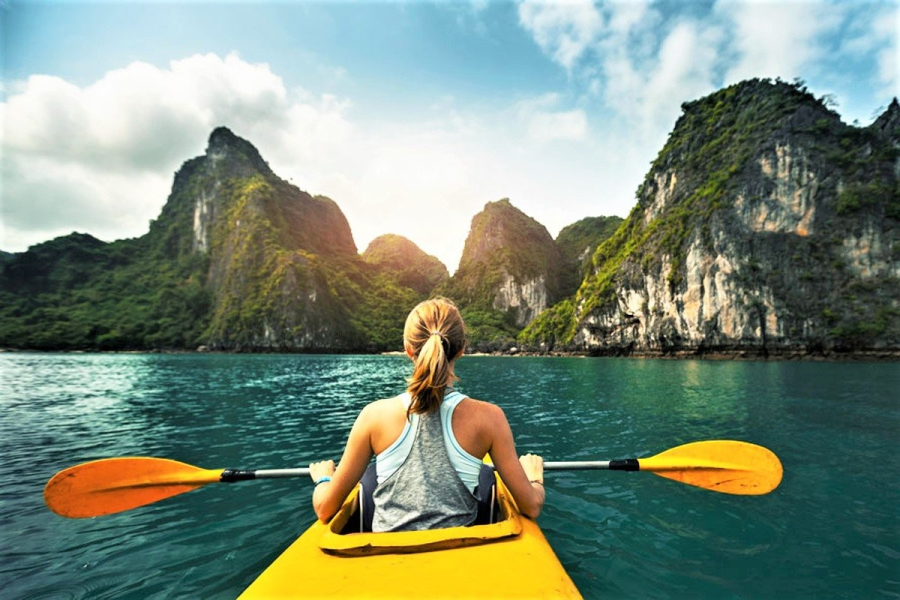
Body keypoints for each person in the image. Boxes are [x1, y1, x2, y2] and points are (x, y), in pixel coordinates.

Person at [308, 297, 545, 532]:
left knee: (368, 481)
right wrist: (534, 477)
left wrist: (324, 479)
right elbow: (531, 506)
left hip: (385, 560)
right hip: (457, 558)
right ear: (461, 349)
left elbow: (325, 508)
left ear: (408, 349)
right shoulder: (490, 418)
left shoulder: (373, 416)